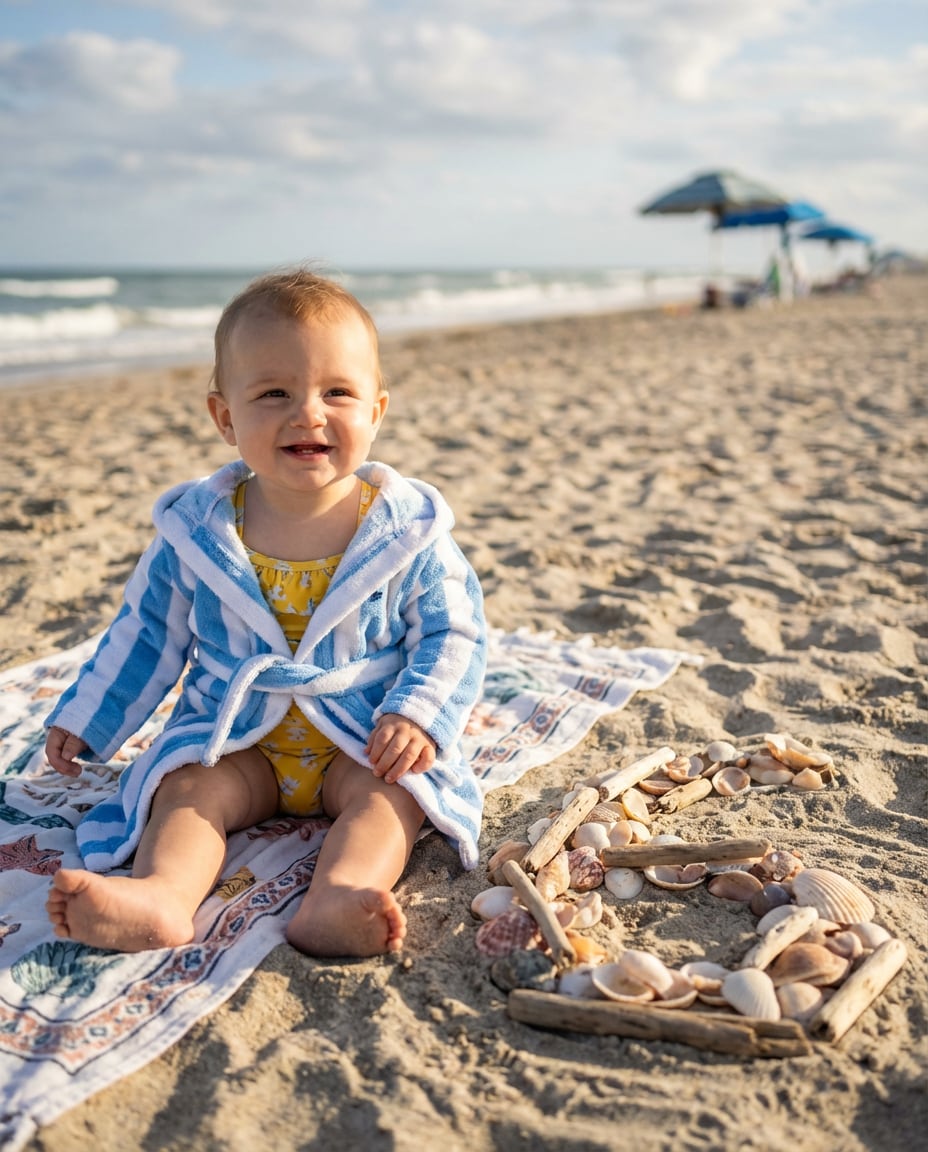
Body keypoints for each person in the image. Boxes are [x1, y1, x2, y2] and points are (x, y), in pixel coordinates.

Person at [43, 268, 487, 958]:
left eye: (337, 392)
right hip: (236, 735)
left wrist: (418, 714)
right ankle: (162, 896)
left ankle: (340, 895)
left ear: (376, 411)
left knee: (393, 798)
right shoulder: (198, 532)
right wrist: (89, 716)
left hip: (358, 735)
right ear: (225, 418)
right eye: (274, 393)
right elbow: (147, 633)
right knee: (186, 791)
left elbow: (453, 631)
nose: (308, 413)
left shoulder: (406, 532)